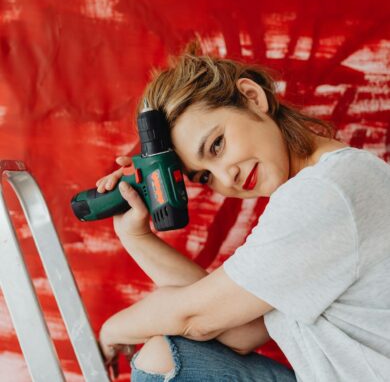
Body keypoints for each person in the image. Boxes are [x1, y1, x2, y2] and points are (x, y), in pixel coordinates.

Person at [96, 42, 390, 381]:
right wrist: (135, 235)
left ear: (252, 96)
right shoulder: (326, 186)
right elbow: (240, 329)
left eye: (217, 145)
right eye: (204, 176)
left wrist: (109, 332)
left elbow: (198, 318)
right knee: (167, 355)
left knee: (162, 355)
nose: (226, 177)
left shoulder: (325, 192)